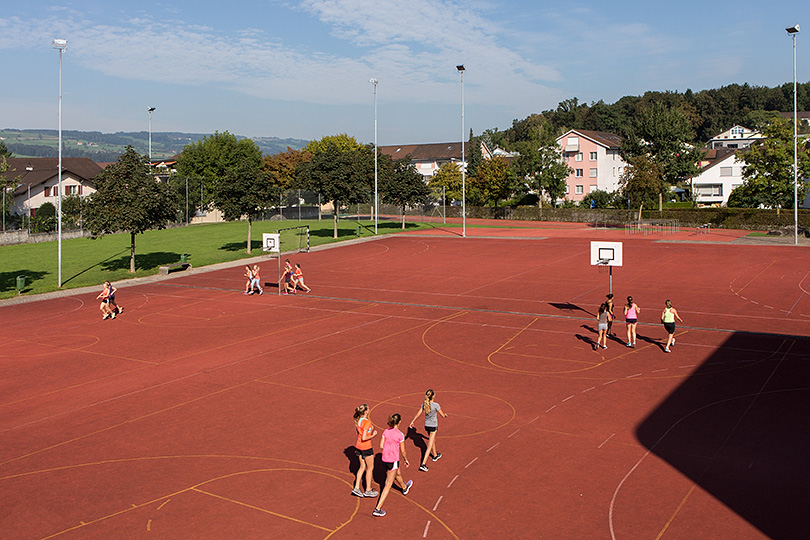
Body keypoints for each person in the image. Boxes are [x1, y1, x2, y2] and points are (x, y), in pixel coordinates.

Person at [372, 413, 412, 517]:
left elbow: (381, 445)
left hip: (384, 459)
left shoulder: (386, 431)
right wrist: (406, 460)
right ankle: (378, 508)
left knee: (397, 472)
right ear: (399, 422)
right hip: (393, 459)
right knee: (387, 485)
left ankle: (404, 487)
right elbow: (403, 451)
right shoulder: (400, 434)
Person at [409, 389, 447, 472]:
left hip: (426, 425)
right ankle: (423, 464)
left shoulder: (424, 404)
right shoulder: (436, 405)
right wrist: (445, 415)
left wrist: (413, 421)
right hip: (433, 426)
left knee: (432, 440)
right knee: (429, 445)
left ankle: (435, 455)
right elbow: (442, 415)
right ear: (433, 396)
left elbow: (418, 413)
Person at [351, 404, 379, 498]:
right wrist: (373, 435)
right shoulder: (367, 423)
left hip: (358, 446)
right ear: (366, 411)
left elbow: (359, 433)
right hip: (366, 447)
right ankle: (368, 490)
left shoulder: (359, 421)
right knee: (370, 468)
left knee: (362, 466)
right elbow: (364, 437)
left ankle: (357, 487)